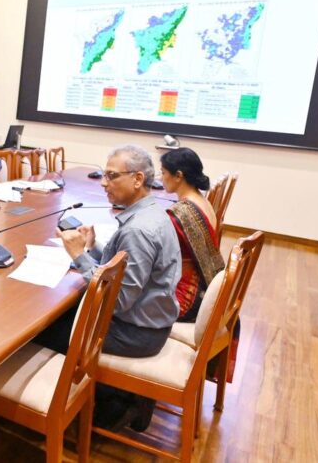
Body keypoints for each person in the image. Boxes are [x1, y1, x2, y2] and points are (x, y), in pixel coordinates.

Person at [39, 144, 181, 431]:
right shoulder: (151, 211)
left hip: (136, 332)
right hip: (149, 321)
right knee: (63, 313)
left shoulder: (137, 230)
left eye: (112, 176)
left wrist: (78, 256)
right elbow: (122, 266)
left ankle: (114, 403)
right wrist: (93, 248)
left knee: (43, 328)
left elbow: (116, 301)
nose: (104, 183)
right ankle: (121, 396)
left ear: (138, 179)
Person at [160, 147, 224, 322]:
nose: (161, 178)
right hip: (206, 289)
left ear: (178, 176)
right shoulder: (202, 201)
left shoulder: (179, 214)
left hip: (186, 300)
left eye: (163, 173)